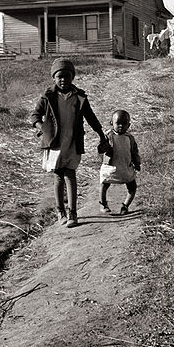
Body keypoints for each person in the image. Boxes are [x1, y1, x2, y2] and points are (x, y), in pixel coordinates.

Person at [30, 58, 106, 228]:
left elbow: (91, 117)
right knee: (58, 176)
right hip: (55, 143)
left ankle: (73, 213)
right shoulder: (48, 96)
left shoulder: (79, 97)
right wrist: (43, 128)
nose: (63, 80)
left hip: (72, 141)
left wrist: (101, 134)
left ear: (72, 77)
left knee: (70, 175)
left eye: (67, 76)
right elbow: (35, 116)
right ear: (53, 78)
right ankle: (60, 212)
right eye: (59, 77)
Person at [98, 109, 141, 215]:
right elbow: (100, 149)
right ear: (111, 123)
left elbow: (134, 152)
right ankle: (103, 204)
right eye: (118, 123)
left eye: (124, 123)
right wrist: (103, 145)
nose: (121, 126)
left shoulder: (130, 138)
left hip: (125, 167)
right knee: (104, 185)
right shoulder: (108, 136)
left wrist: (137, 163)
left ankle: (125, 206)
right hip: (111, 168)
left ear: (129, 125)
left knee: (132, 187)